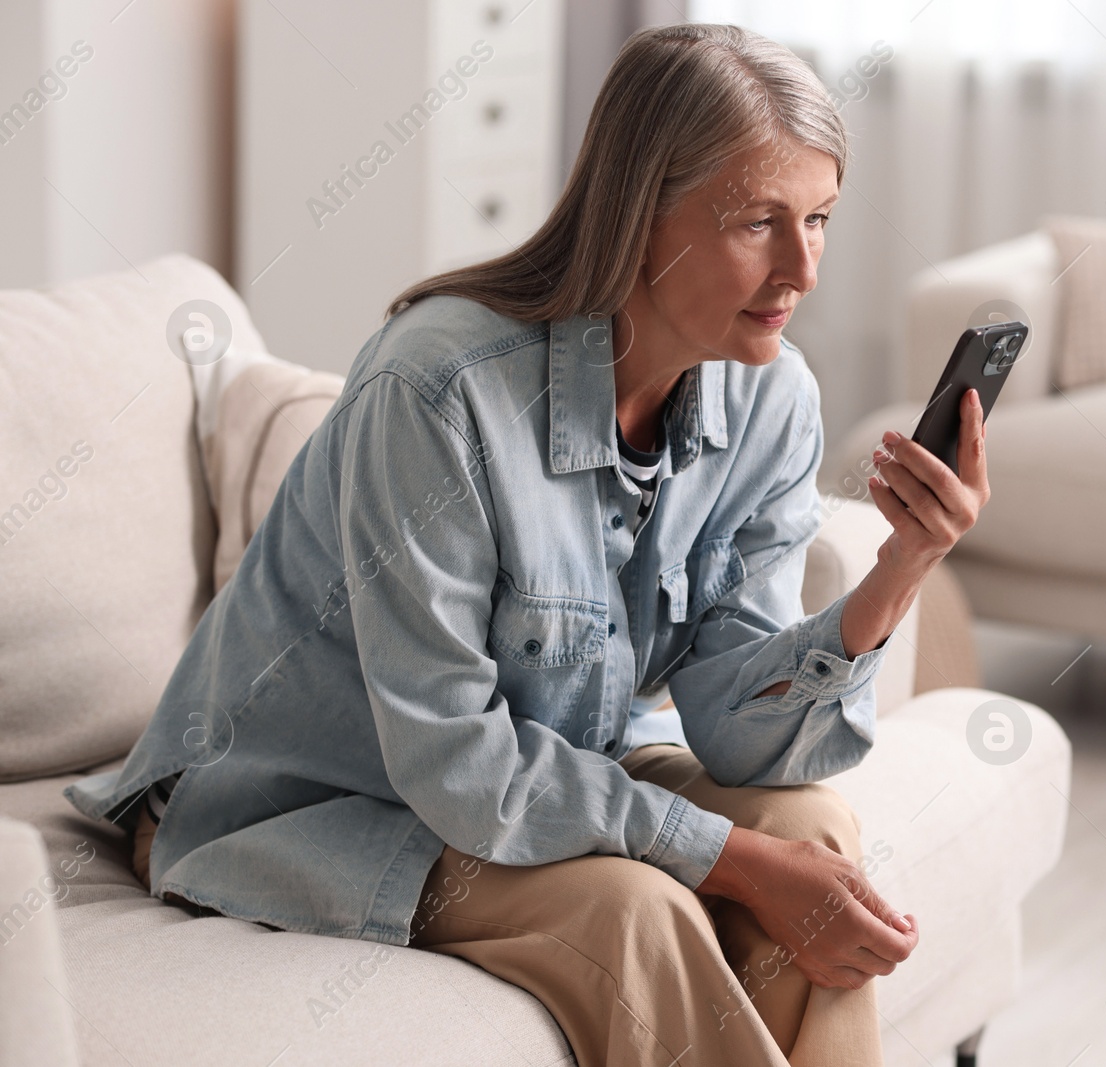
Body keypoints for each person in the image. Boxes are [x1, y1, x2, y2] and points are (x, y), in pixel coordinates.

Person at [65, 21, 991, 1067]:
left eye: (818, 219)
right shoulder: (438, 392)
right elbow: (457, 757)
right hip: (303, 800)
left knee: (813, 828)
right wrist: (728, 859)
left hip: (538, 765)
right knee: (634, 909)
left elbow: (738, 732)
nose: (802, 269)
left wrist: (900, 565)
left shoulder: (771, 397)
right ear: (642, 216)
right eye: (757, 222)